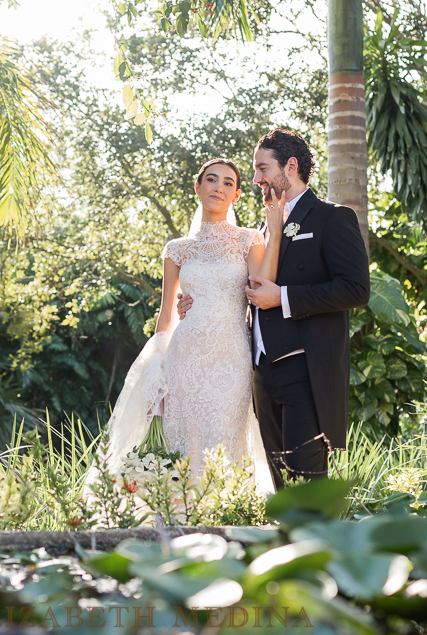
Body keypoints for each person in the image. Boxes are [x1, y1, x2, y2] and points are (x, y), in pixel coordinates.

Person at [178, 128, 370, 489]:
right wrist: (193, 300)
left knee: (308, 490)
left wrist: (283, 297)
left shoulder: (332, 218)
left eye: (262, 169)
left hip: (305, 370)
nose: (256, 179)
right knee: (282, 491)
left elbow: (356, 289)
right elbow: (240, 290)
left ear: (291, 166)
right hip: (260, 376)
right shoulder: (262, 231)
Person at [97, 157, 281, 494]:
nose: (219, 188)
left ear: (237, 195)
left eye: (228, 183)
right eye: (212, 180)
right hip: (185, 357)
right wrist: (156, 372)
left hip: (231, 356)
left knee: (226, 436)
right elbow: (166, 315)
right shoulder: (176, 249)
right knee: (184, 444)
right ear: (198, 187)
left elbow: (263, 287)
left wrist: (277, 231)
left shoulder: (249, 239)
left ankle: (228, 517)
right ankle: (181, 523)